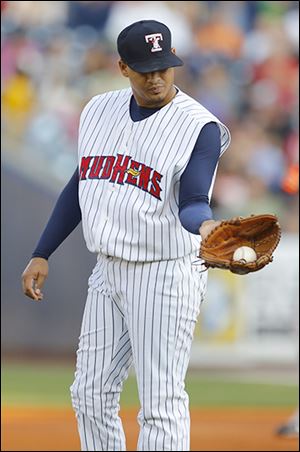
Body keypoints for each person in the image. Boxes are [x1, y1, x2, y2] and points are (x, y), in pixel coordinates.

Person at [21, 20, 230, 451]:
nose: (156, 77)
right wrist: (42, 251)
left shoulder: (198, 126)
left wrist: (207, 225)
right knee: (90, 396)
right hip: (107, 271)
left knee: (160, 403)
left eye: (164, 67)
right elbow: (82, 183)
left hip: (164, 273)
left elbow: (192, 199)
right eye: (145, 69)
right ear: (122, 67)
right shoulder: (98, 109)